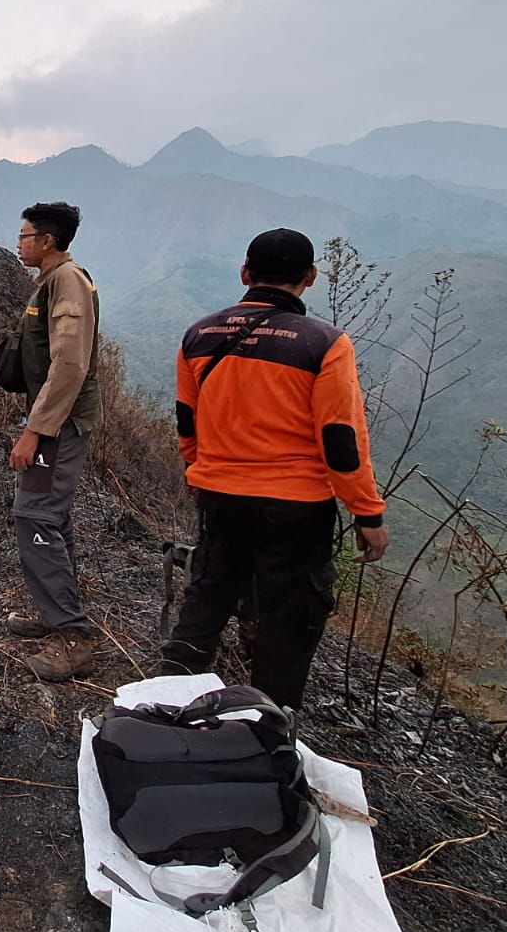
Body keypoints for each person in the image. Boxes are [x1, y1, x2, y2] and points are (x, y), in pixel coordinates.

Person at [157, 228, 389, 709]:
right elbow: (341, 439)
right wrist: (366, 513)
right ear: (310, 277)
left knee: (207, 599)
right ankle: (268, 724)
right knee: (289, 619)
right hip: (297, 507)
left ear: (245, 274)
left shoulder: (199, 336)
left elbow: (187, 418)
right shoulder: (323, 343)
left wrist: (201, 470)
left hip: (221, 496)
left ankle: (164, 702)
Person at [6, 202, 102, 681]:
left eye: (24, 236)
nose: (18, 243)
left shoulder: (67, 283)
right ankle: (55, 614)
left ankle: (72, 638)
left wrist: (34, 431)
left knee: (35, 515)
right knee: (51, 516)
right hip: (54, 421)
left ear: (46, 241)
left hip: (58, 427)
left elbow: (69, 364)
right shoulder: (51, 281)